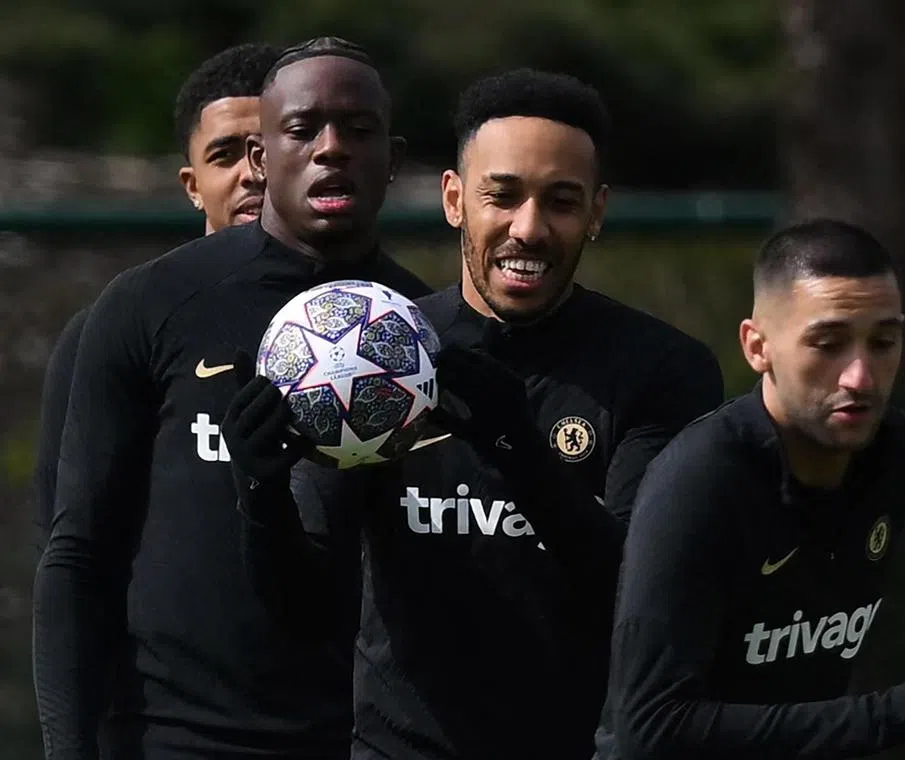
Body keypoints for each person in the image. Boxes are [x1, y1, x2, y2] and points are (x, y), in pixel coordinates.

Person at [225, 68, 725, 760]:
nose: (530, 228)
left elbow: (639, 600)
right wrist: (260, 491)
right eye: (504, 196)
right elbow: (301, 614)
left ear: (597, 213)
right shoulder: (372, 361)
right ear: (456, 199)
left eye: (561, 201)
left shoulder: (662, 370)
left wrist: (514, 444)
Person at [33, 36, 432, 760]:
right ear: (262, 157)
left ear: (394, 158)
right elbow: (75, 556)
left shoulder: (426, 336)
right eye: (304, 129)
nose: (332, 150)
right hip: (173, 741)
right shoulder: (147, 306)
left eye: (358, 130)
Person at [600, 219, 905, 760]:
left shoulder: (902, 458)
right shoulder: (699, 485)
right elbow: (653, 731)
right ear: (758, 347)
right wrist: (903, 707)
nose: (860, 378)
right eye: (828, 344)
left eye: (883, 342)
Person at [32, 41, 280, 555]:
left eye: (269, 148)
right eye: (225, 153)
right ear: (192, 185)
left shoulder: (386, 320)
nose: (252, 172)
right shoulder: (121, 325)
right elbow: (69, 545)